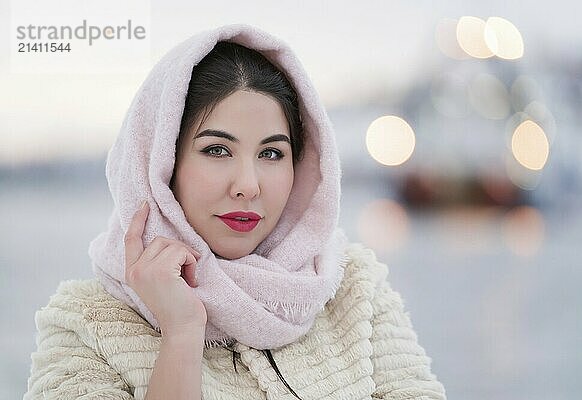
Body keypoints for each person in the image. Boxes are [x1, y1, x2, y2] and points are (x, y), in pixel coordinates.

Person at [23, 23, 447, 400]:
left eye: (271, 153)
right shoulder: (85, 325)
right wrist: (182, 335)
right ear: (161, 165)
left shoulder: (350, 289)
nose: (248, 185)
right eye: (217, 150)